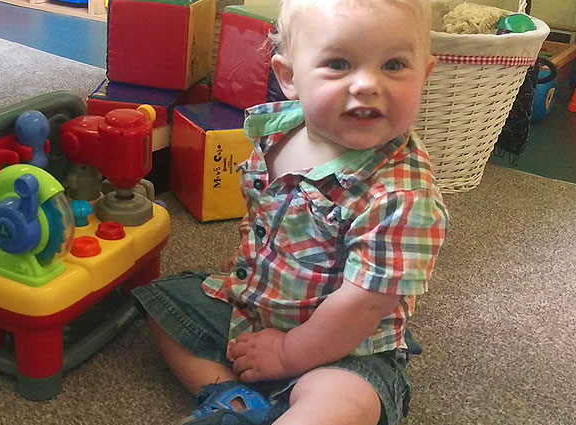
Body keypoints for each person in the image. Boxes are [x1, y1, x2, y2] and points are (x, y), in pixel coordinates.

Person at [131, 0, 449, 424]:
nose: (367, 84)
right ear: (289, 77)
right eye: (339, 63)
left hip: (346, 346)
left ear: (424, 75)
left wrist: (286, 353)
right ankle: (231, 399)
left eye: (393, 65)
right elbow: (264, 216)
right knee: (164, 305)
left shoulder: (402, 196)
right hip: (255, 309)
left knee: (346, 399)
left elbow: (362, 306)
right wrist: (249, 260)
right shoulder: (278, 132)